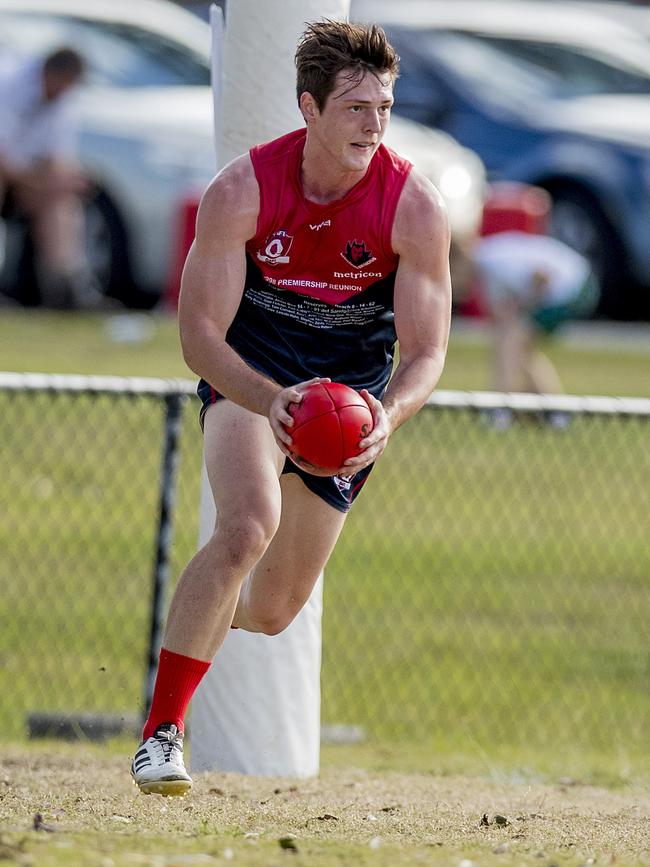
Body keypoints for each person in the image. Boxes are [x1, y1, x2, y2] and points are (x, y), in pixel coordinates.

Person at [130, 20, 452, 796]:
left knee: (272, 609)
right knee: (244, 527)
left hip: (348, 403)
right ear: (308, 107)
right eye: (354, 108)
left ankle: (193, 624)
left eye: (383, 107)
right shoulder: (242, 190)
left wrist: (388, 415)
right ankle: (162, 732)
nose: (373, 125)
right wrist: (270, 400)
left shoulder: (414, 205)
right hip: (255, 376)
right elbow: (200, 335)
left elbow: (428, 353)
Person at [0, 47, 102, 308]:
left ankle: (67, 286)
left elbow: (57, 156)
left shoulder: (62, 102)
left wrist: (65, 182)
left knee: (61, 202)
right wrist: (42, 182)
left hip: (22, 177)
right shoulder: (8, 85)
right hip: (9, 172)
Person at [470, 230, 599, 405]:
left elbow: (542, 276)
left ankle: (501, 407)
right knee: (520, 347)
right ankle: (552, 410)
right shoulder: (486, 257)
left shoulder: (491, 261)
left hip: (574, 288)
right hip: (574, 284)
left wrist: (523, 305)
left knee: (512, 341)